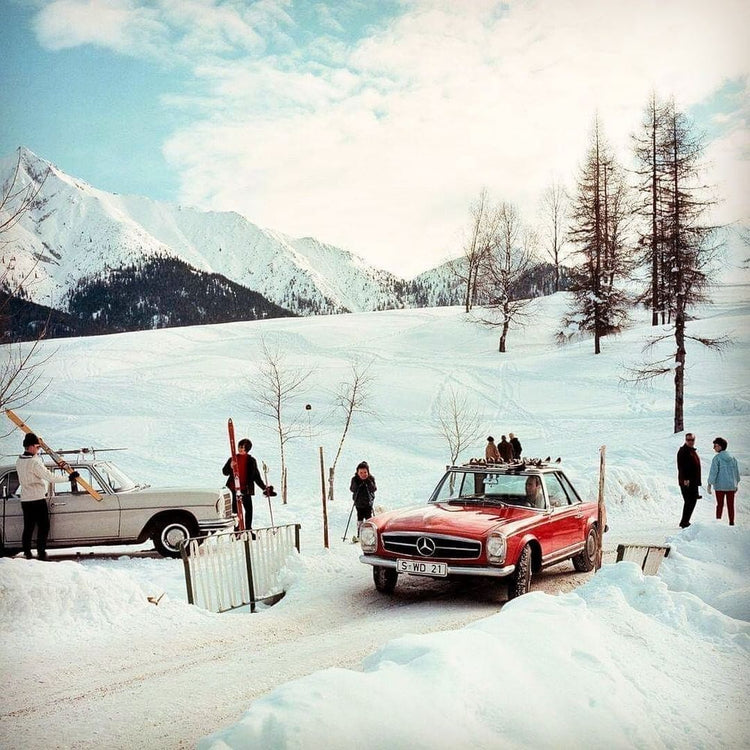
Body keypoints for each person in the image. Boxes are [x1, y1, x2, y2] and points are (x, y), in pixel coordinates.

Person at [16, 432, 79, 560]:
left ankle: (27, 552)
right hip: (37, 499)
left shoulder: (19, 461)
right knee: (44, 526)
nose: (38, 450)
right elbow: (49, 477)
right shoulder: (34, 462)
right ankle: (41, 552)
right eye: (37, 447)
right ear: (31, 447)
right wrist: (69, 478)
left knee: (28, 527)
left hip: (25, 499)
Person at [222, 438, 271, 530]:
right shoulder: (232, 459)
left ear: (247, 449)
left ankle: (248, 530)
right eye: (240, 447)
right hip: (233, 488)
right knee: (235, 511)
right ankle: (237, 530)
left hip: (246, 489)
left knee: (249, 510)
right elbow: (225, 472)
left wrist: (264, 488)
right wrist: (230, 466)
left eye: (243, 448)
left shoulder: (251, 461)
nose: (240, 449)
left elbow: (256, 476)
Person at [706, 437, 740, 526]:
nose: (714, 448)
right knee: (731, 505)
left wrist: (709, 483)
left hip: (720, 486)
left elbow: (713, 472)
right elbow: (736, 473)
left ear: (720, 446)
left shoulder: (717, 458)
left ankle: (718, 523)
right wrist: (736, 484)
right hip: (731, 486)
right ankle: (731, 523)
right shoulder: (733, 458)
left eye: (715, 446)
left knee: (720, 505)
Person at [676, 433, 701, 528]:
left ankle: (685, 521)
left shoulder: (691, 450)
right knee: (689, 501)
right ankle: (684, 522)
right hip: (687, 481)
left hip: (693, 481)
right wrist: (685, 479)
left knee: (692, 501)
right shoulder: (683, 451)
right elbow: (681, 466)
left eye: (692, 440)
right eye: (688, 440)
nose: (690, 441)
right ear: (685, 440)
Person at [350, 461, 377, 539]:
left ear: (368, 472)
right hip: (358, 503)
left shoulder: (370, 478)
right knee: (360, 518)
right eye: (361, 473)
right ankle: (360, 534)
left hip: (368, 503)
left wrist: (368, 482)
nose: (363, 474)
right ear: (357, 472)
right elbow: (352, 489)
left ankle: (370, 534)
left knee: (369, 518)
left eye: (365, 472)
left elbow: (374, 489)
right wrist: (357, 484)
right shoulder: (355, 479)